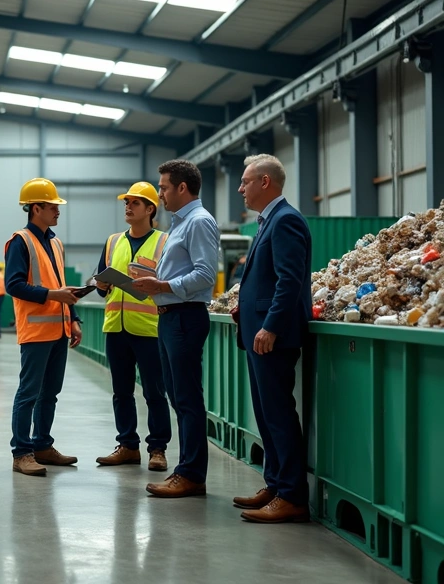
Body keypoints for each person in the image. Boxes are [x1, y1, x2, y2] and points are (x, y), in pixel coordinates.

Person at [131, 160, 220, 498]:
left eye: (164, 187)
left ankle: (192, 474)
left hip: (185, 317)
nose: (160, 194)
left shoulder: (199, 222)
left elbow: (205, 274)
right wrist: (152, 280)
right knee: (178, 397)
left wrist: (163, 285)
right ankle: (186, 470)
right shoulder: (179, 225)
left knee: (187, 399)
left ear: (183, 187)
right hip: (169, 316)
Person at [233, 155, 312, 523]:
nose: (240, 188)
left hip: (272, 338)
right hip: (258, 334)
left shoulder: (286, 220)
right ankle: (276, 483)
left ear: (265, 182)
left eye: (245, 181)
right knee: (266, 415)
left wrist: (271, 326)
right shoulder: (268, 221)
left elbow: (289, 280)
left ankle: (292, 496)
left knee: (279, 415)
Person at [92, 182, 173, 472]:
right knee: (121, 391)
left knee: (154, 392)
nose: (128, 207)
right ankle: (127, 445)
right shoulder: (113, 241)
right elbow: (101, 286)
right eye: (126, 202)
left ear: (150, 209)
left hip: (149, 329)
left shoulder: (165, 242)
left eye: (134, 203)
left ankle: (157, 449)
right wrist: (101, 284)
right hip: (116, 327)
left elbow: (170, 285)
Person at [8, 178, 83, 477]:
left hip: (59, 330)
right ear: (35, 208)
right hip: (36, 331)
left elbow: (60, 285)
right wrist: (53, 296)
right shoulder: (20, 241)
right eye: (52, 206)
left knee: (50, 392)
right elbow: (14, 285)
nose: (57, 211)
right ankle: (21, 453)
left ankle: (42, 445)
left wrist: (73, 318)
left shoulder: (55, 243)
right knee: (29, 393)